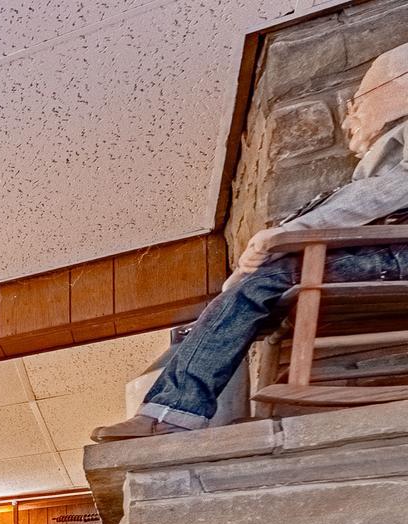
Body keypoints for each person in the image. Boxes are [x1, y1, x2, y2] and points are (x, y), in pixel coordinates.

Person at [94, 41, 408, 440]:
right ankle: (180, 408)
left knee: (263, 283)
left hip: (400, 255)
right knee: (245, 295)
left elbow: (396, 190)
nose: (349, 121)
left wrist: (287, 235)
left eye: (358, 106)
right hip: (386, 253)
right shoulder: (382, 157)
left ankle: (174, 411)